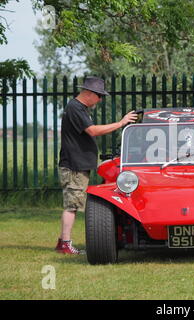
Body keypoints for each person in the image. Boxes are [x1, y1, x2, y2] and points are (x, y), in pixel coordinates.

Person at [55, 76, 138, 254]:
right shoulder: (75, 108)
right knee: (73, 205)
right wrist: (121, 123)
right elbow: (92, 131)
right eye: (99, 96)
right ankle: (65, 244)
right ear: (90, 93)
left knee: (74, 203)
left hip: (78, 164)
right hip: (74, 166)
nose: (100, 100)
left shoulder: (79, 108)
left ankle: (63, 241)